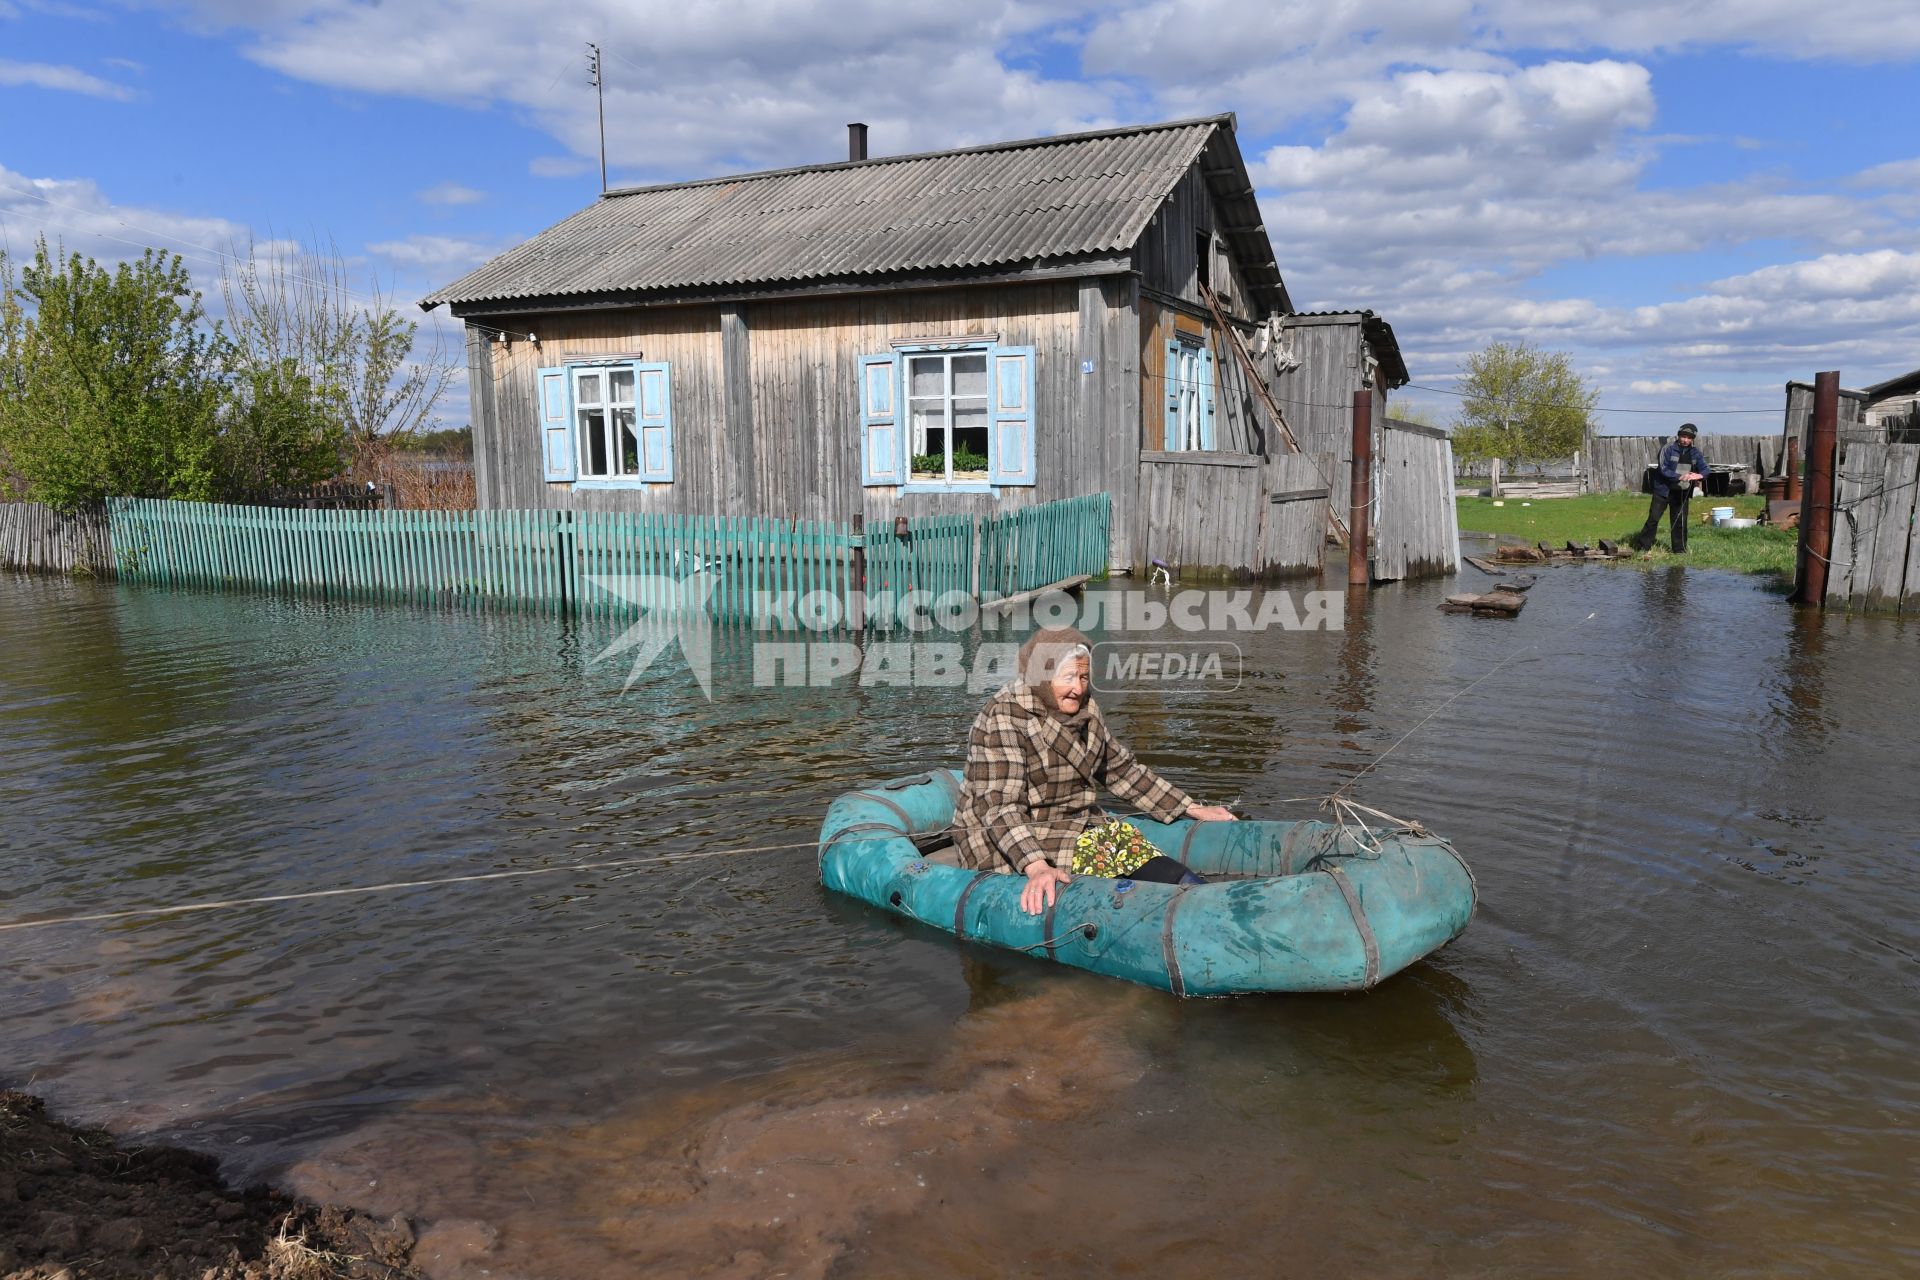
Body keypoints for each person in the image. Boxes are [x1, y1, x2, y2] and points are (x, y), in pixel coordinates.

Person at [952, 627, 1237, 916]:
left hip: (1070, 824)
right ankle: (1166, 911)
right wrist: (1037, 867)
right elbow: (1001, 806)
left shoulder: (1087, 711)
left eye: (1083, 677)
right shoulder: (1006, 715)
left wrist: (1190, 808)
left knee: (1124, 839)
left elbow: (1121, 770)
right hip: (1004, 835)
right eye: (1068, 677)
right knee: (1102, 850)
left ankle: (1207, 901)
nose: (1078, 687)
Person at [1633, 422, 1708, 553]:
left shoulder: (1696, 453)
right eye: (1683, 436)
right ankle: (1643, 547)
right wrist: (1680, 476)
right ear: (1678, 436)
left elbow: (1706, 469)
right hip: (1663, 490)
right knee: (1653, 519)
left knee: (1680, 522)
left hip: (1681, 492)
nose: (1685, 440)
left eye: (1689, 438)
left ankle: (1679, 550)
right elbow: (1663, 469)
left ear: (1692, 439)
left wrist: (1699, 475)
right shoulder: (1667, 449)